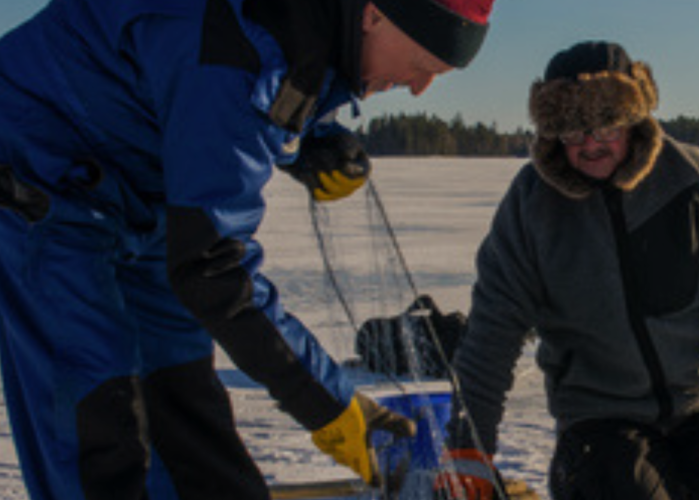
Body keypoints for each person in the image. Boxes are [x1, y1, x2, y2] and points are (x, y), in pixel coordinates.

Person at [0, 0, 496, 498]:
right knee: (96, 410)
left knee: (182, 390)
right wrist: (331, 405)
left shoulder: (305, 26)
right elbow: (215, 270)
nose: (419, 87)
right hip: (43, 178)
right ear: (373, 13)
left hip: (141, 189)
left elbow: (251, 78)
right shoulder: (235, 48)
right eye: (423, 63)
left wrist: (310, 136)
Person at [433, 41, 699, 500]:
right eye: (571, 131)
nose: (588, 145)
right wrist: (469, 447)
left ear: (632, 120)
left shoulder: (690, 180)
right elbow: (492, 331)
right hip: (601, 419)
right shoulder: (531, 207)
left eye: (604, 125)